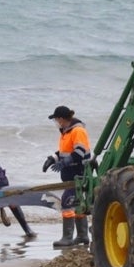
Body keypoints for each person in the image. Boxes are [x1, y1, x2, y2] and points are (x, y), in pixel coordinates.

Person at [43, 105, 92, 248]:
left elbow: (80, 152)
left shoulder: (78, 131)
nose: (56, 123)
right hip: (70, 174)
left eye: (56, 120)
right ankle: (83, 236)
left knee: (67, 202)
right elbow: (64, 151)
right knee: (77, 203)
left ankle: (67, 238)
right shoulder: (66, 132)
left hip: (78, 172)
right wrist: (52, 158)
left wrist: (64, 163)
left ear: (62, 119)